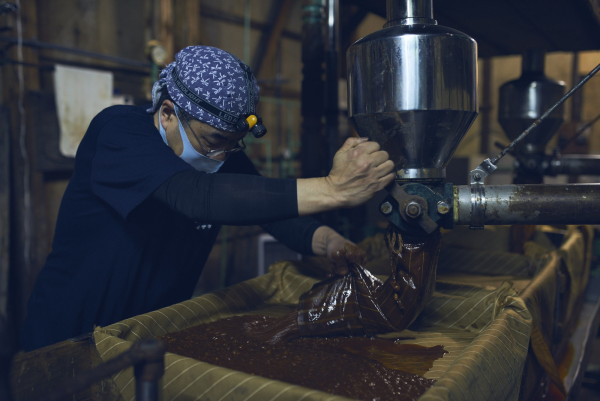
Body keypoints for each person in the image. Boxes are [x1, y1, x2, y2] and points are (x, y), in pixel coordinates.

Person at [20, 45, 395, 351]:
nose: (222, 156)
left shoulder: (222, 155)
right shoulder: (119, 132)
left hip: (146, 332)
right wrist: (332, 188)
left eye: (233, 145)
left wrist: (325, 240)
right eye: (213, 141)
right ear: (168, 114)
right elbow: (196, 197)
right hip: (71, 334)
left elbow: (267, 208)